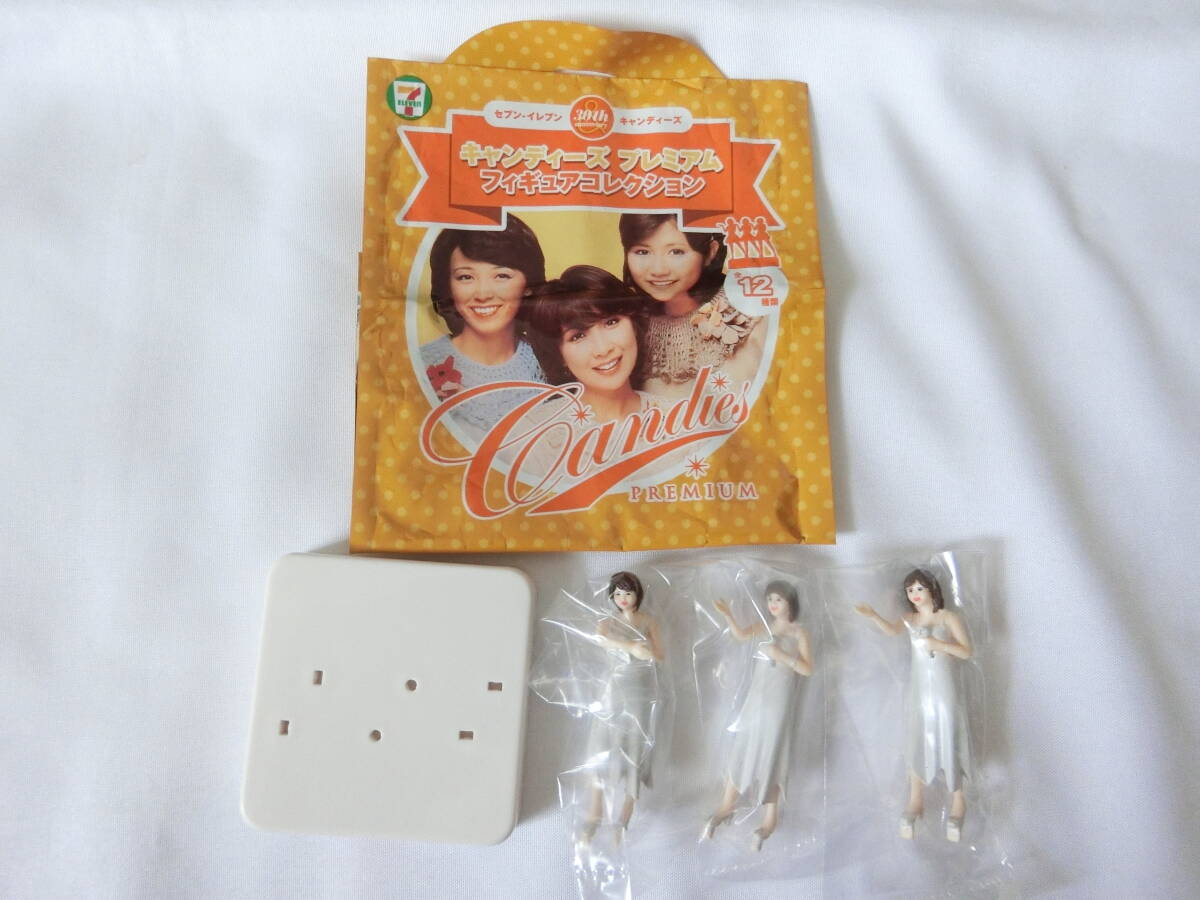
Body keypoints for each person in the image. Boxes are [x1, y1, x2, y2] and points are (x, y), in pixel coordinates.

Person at [855, 568, 974, 842]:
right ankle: (915, 799)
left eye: (920, 588)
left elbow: (966, 651)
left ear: (932, 589)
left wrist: (938, 644)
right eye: (910, 590)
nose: (915, 594)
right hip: (919, 688)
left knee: (949, 734)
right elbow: (891, 629)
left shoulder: (947, 617)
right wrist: (873, 615)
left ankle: (958, 800)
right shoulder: (909, 619)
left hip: (944, 686)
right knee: (917, 737)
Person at [702, 580, 812, 851]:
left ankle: (770, 816)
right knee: (744, 744)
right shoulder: (764, 626)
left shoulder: (799, 632)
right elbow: (741, 635)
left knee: (773, 749)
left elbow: (808, 669)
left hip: (779, 699)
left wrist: (781, 655)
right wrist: (728, 614)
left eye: (778, 599)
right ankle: (727, 804)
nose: (772, 604)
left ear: (790, 602)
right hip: (756, 696)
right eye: (770, 599)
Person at [418, 215, 546, 432]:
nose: (483, 294)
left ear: (528, 286)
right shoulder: (420, 363)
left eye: (502, 276)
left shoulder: (550, 360)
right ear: (448, 287)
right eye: (466, 277)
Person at [619, 213, 765, 397]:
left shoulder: (749, 314)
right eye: (642, 252)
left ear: (710, 252)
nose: (658, 270)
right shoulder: (625, 321)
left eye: (676, 252)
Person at [581, 571, 664, 843]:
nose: (623, 599)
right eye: (617, 594)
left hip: (640, 690)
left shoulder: (648, 621)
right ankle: (594, 814)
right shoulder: (607, 622)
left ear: (638, 594)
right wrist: (631, 646)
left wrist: (647, 651)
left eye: (627, 593)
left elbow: (660, 656)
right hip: (613, 688)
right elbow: (601, 640)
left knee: (635, 749)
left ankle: (623, 820)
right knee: (601, 744)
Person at [526, 265, 658, 424]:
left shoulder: (676, 418)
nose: (603, 349)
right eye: (578, 336)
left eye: (611, 322)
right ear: (559, 356)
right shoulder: (535, 428)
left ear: (634, 325)